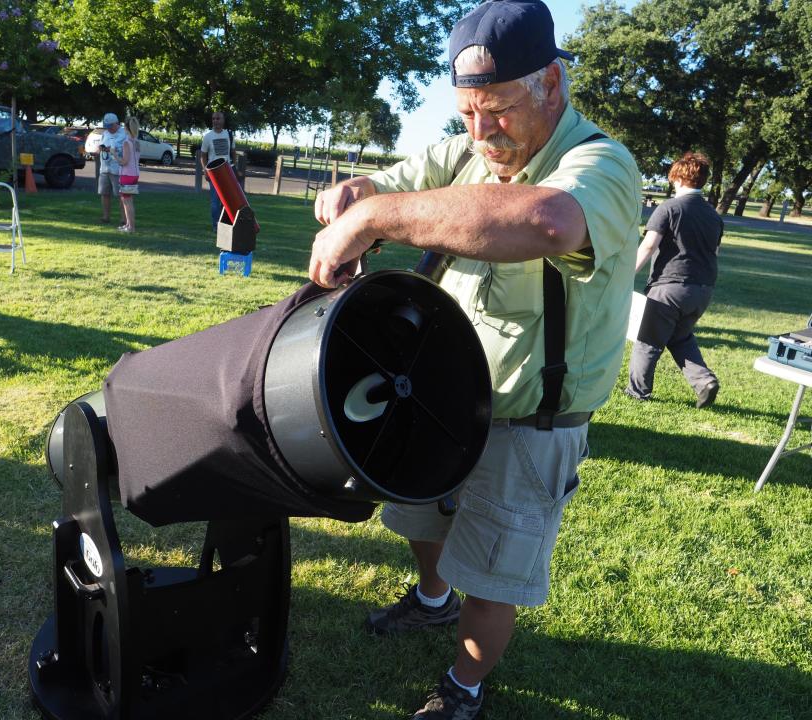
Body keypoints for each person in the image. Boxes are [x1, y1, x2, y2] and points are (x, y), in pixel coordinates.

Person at [308, 1, 641, 718]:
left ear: (552, 83)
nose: (481, 131)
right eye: (466, 113)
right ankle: (431, 600)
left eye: (497, 109)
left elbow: (548, 221)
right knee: (420, 518)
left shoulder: (602, 163)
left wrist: (373, 221)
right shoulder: (467, 152)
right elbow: (392, 182)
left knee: (494, 568)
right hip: (436, 396)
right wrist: (352, 196)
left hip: (529, 421)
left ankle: (463, 688)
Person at [625, 152, 723, 407]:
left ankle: (637, 392)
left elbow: (648, 246)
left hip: (670, 287)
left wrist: (625, 276)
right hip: (703, 289)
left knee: (647, 341)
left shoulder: (668, 208)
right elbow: (715, 252)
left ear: (677, 178)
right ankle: (704, 382)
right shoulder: (713, 216)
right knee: (680, 338)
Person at [200, 111, 236, 230]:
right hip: (214, 174)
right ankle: (216, 226)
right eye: (214, 118)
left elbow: (233, 152)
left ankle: (225, 224)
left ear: (223, 120)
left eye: (218, 118)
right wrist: (205, 170)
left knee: (227, 202)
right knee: (215, 203)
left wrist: (234, 165)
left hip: (227, 173)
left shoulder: (229, 135)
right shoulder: (208, 137)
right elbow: (203, 156)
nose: (215, 121)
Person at [89, 112, 126, 225]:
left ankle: (124, 219)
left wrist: (112, 149)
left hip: (117, 169)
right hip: (104, 168)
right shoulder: (105, 133)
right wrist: (97, 151)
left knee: (121, 195)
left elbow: (125, 149)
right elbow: (100, 146)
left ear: (116, 123)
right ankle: (106, 217)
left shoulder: (124, 133)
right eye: (107, 126)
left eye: (111, 126)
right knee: (104, 193)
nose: (109, 129)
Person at [117, 116, 141, 233]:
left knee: (127, 201)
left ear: (126, 128)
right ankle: (128, 225)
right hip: (135, 174)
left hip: (127, 174)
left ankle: (131, 227)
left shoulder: (127, 142)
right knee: (128, 200)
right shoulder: (136, 142)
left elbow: (124, 161)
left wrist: (114, 155)